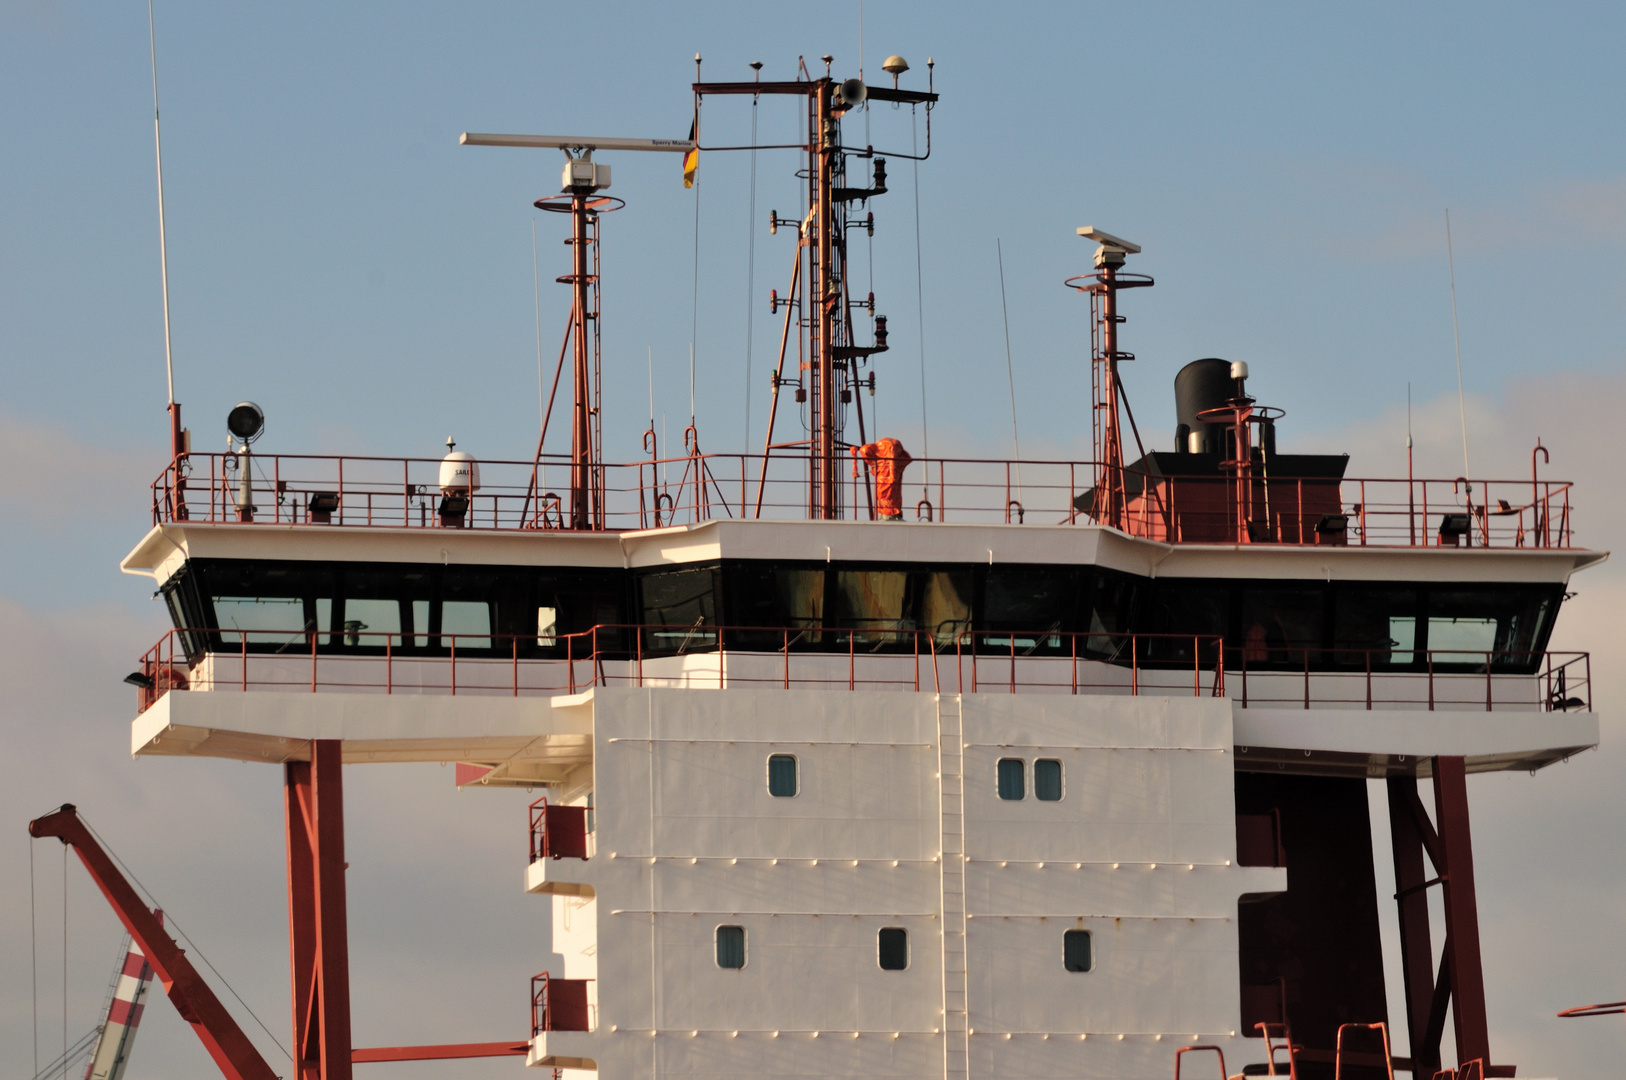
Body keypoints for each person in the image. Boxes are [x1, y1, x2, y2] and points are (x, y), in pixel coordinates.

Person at [854, 438, 913, 521]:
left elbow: (893, 474)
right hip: (885, 482)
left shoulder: (887, 450)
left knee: (888, 493)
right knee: (887, 493)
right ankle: (888, 515)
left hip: (886, 483)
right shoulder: (885, 452)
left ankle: (889, 515)